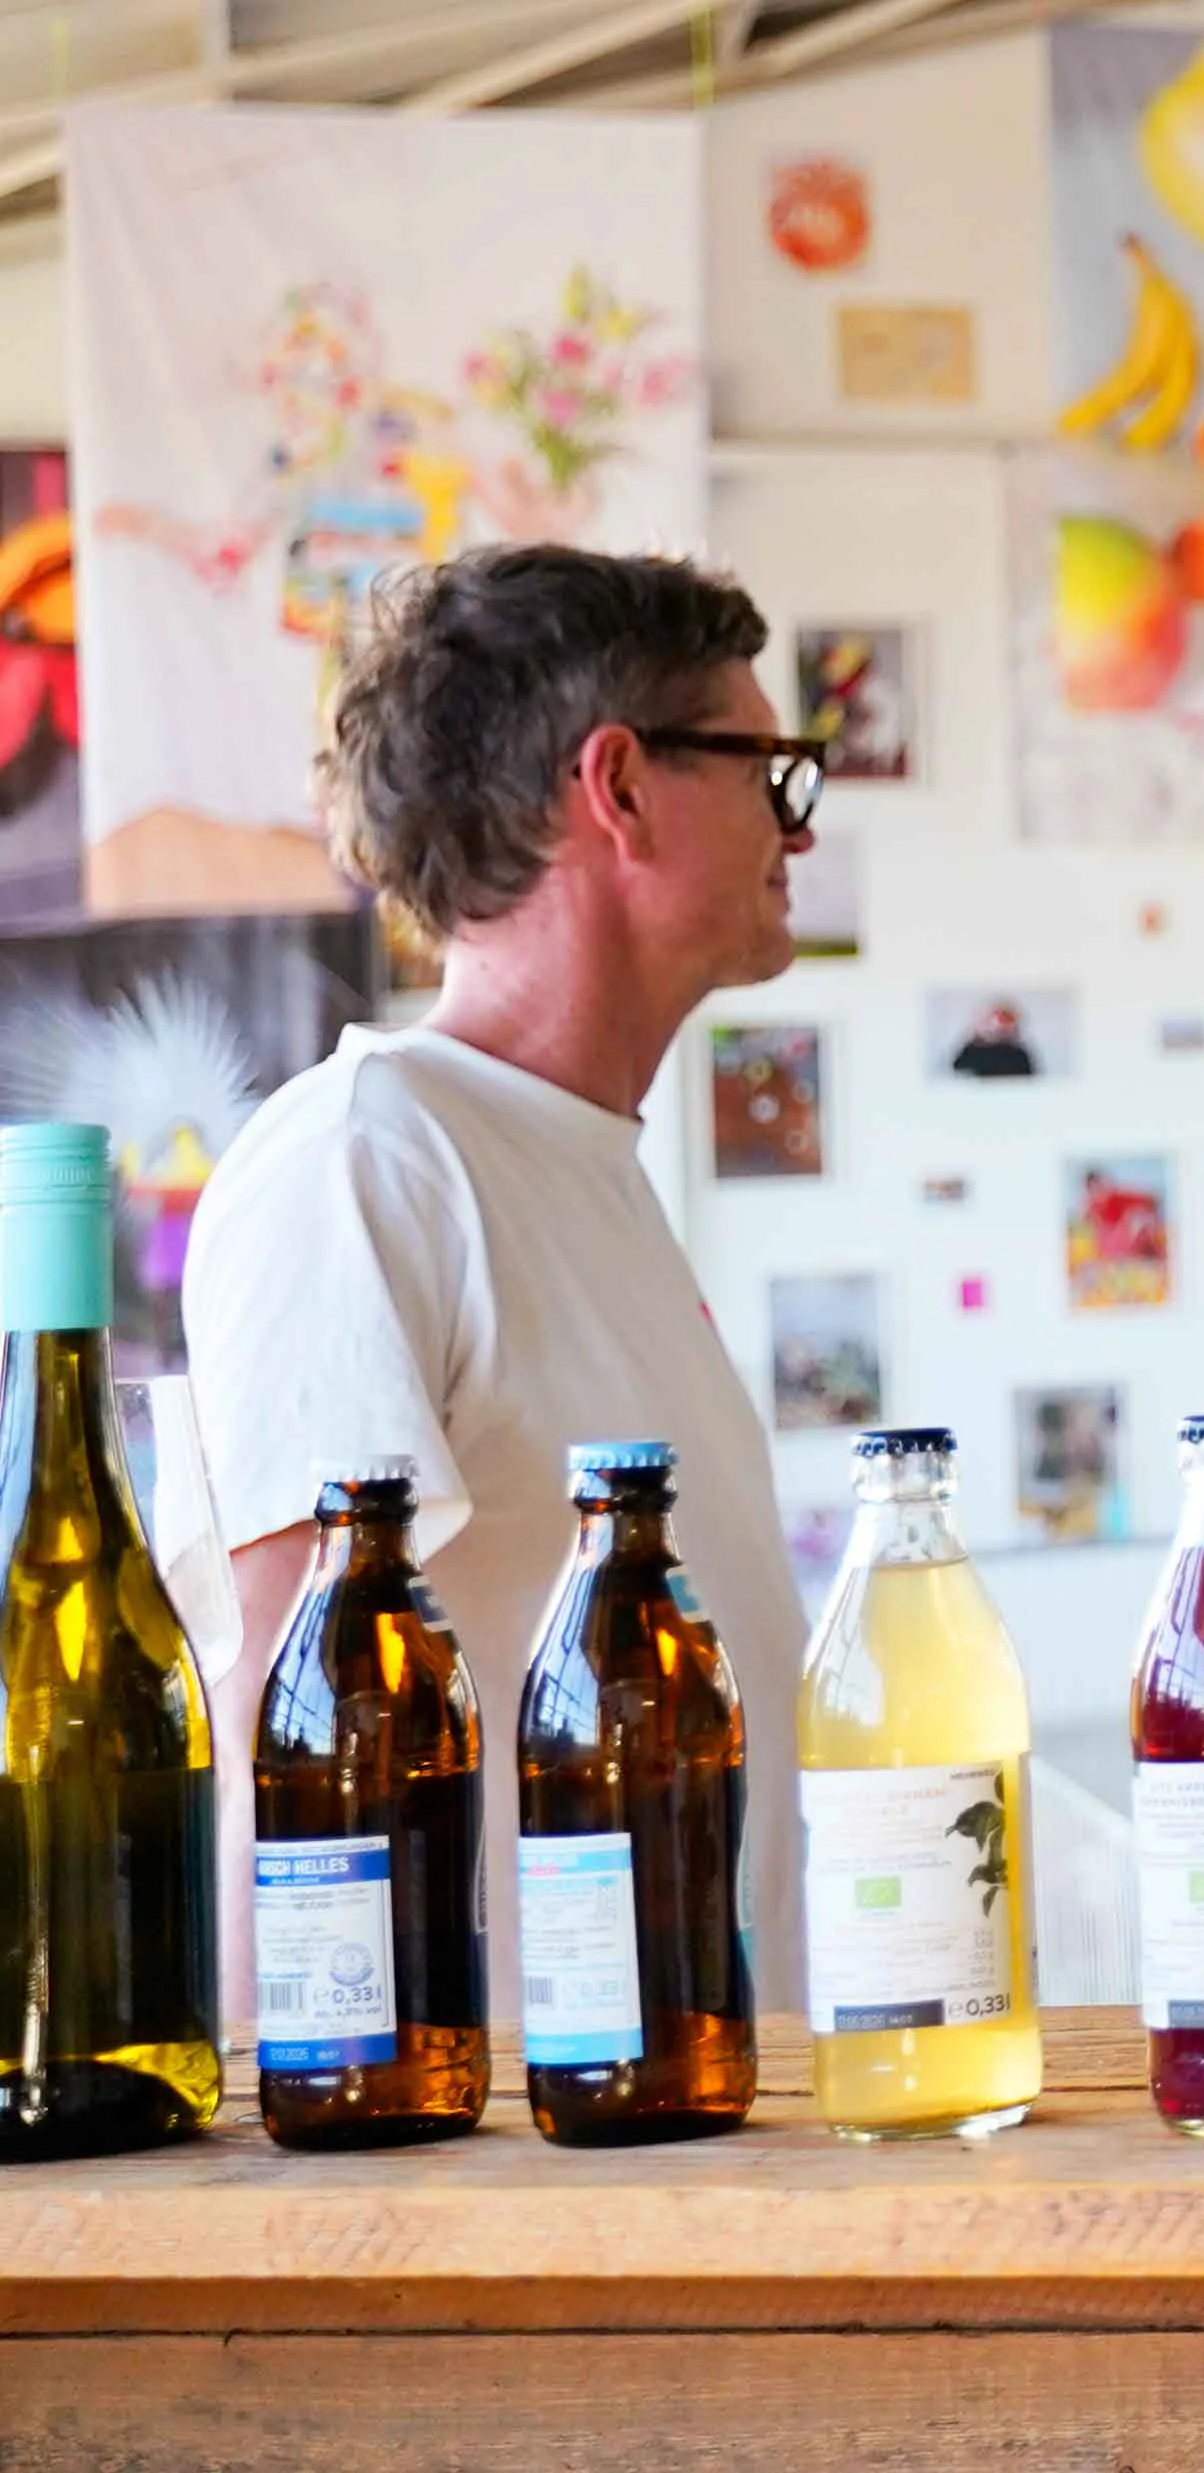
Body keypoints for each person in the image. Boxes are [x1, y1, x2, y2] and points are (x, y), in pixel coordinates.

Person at [181, 546, 825, 2010]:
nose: (795, 830)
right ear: (621, 786)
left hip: (685, 2134)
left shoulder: (584, 1170)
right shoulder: (365, 1160)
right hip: (509, 2174)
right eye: (766, 769)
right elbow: (291, 1743)